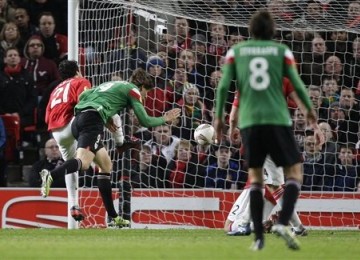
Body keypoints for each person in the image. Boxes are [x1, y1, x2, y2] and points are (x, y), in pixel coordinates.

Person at [214, 10, 323, 251]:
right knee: (294, 173)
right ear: (273, 31)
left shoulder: (237, 53)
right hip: (277, 122)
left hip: (251, 125)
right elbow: (298, 87)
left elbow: (223, 88)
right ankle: (283, 223)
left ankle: (259, 238)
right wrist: (312, 118)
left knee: (255, 179)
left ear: (250, 31)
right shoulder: (281, 52)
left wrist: (223, 122)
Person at [39, 68, 181, 228]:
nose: (145, 96)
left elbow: (84, 96)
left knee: (105, 164)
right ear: (141, 87)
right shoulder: (133, 90)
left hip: (80, 119)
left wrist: (105, 118)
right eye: (146, 93)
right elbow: (145, 121)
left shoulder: (111, 84)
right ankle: (51, 175)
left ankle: (113, 217)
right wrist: (165, 118)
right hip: (92, 121)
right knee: (84, 163)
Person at [45, 60, 91, 221]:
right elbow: (85, 103)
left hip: (55, 130)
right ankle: (99, 151)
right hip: (69, 123)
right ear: (78, 71)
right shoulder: (81, 81)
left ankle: (73, 205)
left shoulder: (56, 89)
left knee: (70, 163)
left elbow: (47, 114)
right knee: (94, 118)